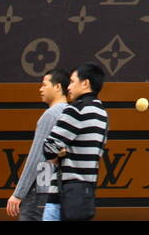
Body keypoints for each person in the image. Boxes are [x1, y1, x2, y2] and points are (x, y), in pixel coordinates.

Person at [41, 62, 109, 221]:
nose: (69, 87)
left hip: (62, 194)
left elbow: (48, 148)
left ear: (85, 83)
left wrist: (60, 153)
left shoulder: (75, 110)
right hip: (86, 192)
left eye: (72, 82)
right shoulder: (102, 113)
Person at [6, 69, 69, 220]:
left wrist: (18, 194)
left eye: (44, 84)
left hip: (41, 189)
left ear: (57, 87)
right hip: (62, 188)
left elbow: (37, 156)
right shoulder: (71, 114)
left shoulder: (51, 115)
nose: (40, 89)